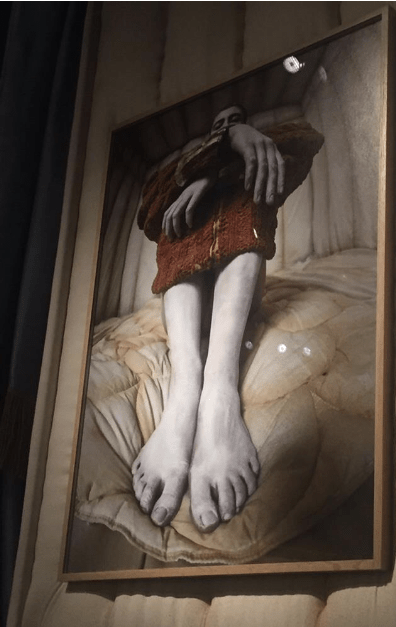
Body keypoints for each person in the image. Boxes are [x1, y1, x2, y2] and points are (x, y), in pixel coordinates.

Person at [133, 104, 323, 533]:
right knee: (177, 213)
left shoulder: (256, 147)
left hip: (237, 297)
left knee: (244, 196)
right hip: (187, 300)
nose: (227, 129)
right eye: (219, 125)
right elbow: (150, 210)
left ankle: (219, 390)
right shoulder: (180, 170)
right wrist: (206, 169)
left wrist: (233, 152)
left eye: (235, 123)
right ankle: (185, 390)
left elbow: (305, 143)